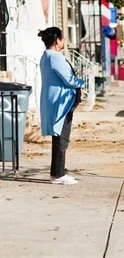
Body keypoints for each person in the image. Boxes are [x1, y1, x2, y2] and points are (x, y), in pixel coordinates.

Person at [38, 27, 85, 185]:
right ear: (57, 40)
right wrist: (82, 83)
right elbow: (69, 80)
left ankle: (57, 173)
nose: (64, 41)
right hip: (61, 103)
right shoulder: (55, 58)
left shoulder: (46, 56)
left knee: (59, 137)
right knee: (61, 138)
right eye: (63, 38)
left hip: (56, 102)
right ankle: (58, 175)